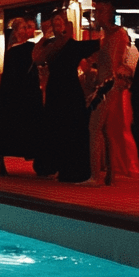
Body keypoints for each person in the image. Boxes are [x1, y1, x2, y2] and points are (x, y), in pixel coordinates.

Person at [32, 12, 99, 182]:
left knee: (72, 126)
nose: (57, 25)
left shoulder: (73, 45)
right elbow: (37, 59)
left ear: (66, 25)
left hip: (70, 89)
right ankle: (55, 165)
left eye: (59, 22)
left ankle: (73, 167)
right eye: (55, 22)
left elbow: (98, 48)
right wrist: (43, 37)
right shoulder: (51, 46)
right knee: (55, 126)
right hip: (55, 89)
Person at [88, 0, 139, 183]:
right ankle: (108, 173)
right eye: (97, 12)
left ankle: (96, 175)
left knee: (97, 128)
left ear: (109, 13)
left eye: (101, 11)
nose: (97, 15)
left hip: (109, 87)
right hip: (107, 85)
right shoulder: (106, 36)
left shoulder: (118, 35)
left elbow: (114, 64)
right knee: (108, 129)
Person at [0, 18, 42, 176]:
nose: (26, 31)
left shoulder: (22, 49)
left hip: (24, 93)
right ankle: (3, 161)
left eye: (27, 27)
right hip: (19, 94)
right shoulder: (16, 51)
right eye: (23, 28)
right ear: (16, 33)